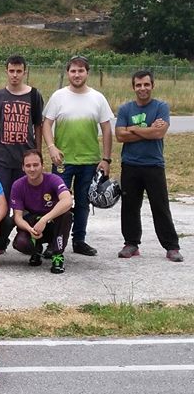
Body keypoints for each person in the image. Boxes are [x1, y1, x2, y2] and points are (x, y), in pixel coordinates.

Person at [42, 56, 114, 257]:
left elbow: (107, 130)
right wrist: (51, 147)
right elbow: (47, 124)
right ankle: (55, 242)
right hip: (63, 161)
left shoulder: (98, 98)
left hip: (89, 161)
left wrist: (106, 159)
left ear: (87, 73)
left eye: (81, 71)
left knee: (83, 203)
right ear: (68, 73)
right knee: (59, 203)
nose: (77, 75)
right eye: (73, 71)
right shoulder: (58, 96)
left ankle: (79, 240)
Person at [115, 70, 182, 262]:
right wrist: (148, 129)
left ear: (152, 85)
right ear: (133, 87)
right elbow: (120, 135)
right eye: (138, 85)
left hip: (153, 164)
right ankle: (131, 244)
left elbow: (159, 134)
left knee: (160, 206)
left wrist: (133, 128)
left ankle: (171, 246)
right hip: (130, 164)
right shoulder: (126, 109)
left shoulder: (161, 107)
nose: (142, 88)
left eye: (146, 84)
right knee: (129, 206)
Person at [0, 55, 44, 198]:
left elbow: (38, 127)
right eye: (12, 71)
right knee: (1, 201)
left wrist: (38, 157)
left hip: (26, 159)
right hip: (3, 159)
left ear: (25, 73)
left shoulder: (34, 95)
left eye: (19, 71)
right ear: (6, 71)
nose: (15, 75)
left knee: (26, 201)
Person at [10, 150, 73, 273]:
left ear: (42, 166)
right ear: (23, 168)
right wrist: (30, 230)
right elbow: (17, 217)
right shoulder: (18, 185)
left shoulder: (54, 179)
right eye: (28, 166)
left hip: (52, 224)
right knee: (20, 243)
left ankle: (57, 255)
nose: (32, 169)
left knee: (66, 215)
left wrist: (45, 219)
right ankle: (36, 250)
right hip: (33, 224)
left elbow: (67, 201)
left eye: (36, 165)